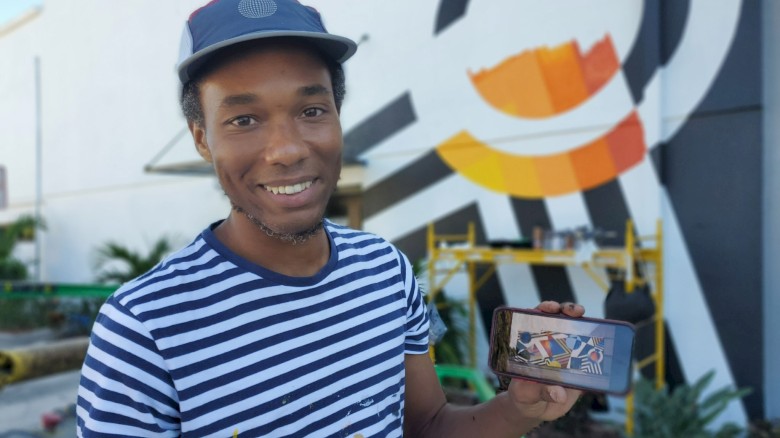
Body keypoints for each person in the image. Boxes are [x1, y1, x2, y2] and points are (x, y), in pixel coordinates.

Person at [76, 1, 584, 436]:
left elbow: (428, 425)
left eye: (312, 110)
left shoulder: (384, 270)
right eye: (243, 119)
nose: (287, 149)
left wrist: (518, 409)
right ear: (202, 138)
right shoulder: (145, 327)